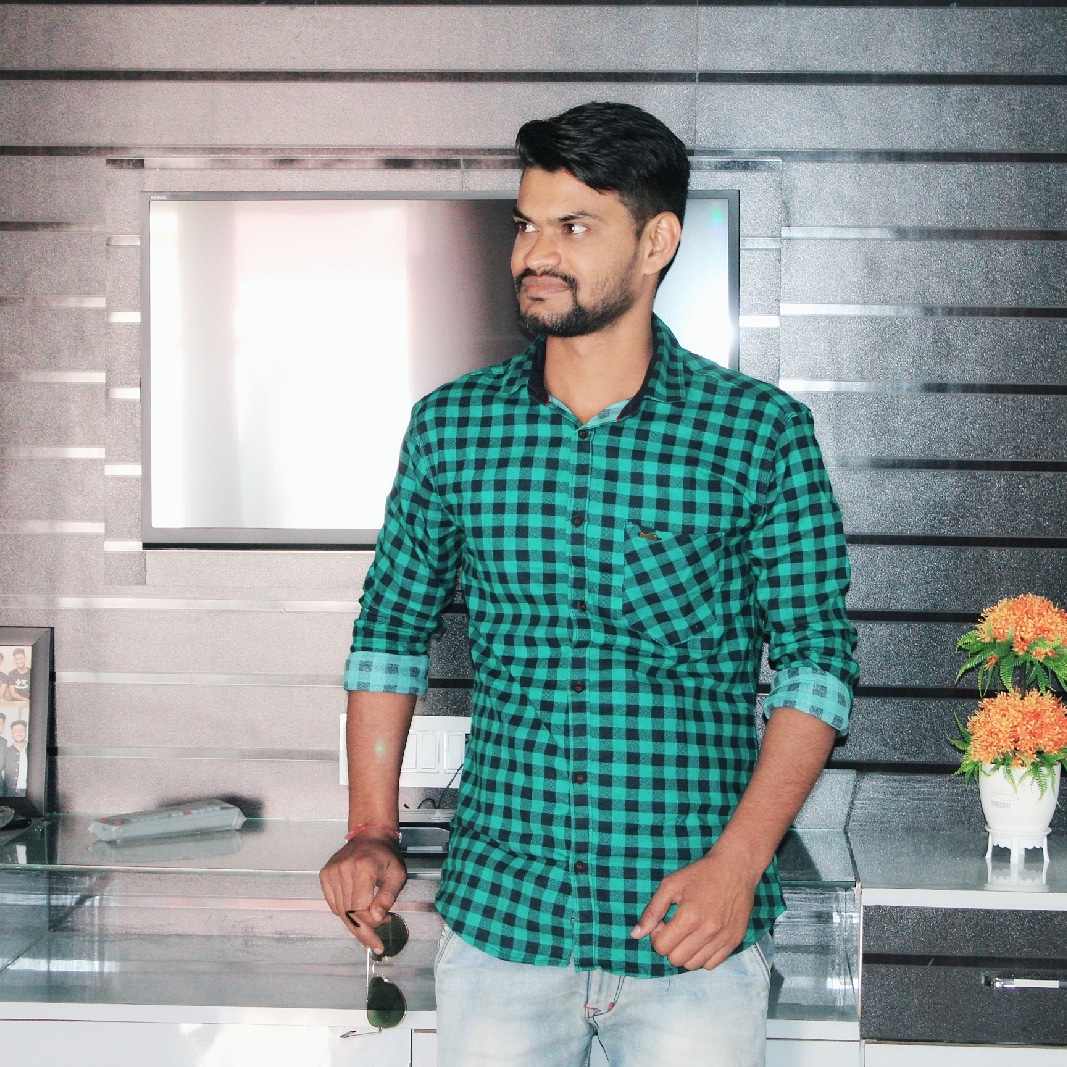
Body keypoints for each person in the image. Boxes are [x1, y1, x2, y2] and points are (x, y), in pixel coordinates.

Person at [320, 101, 859, 1067]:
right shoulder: (451, 428)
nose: (536, 252)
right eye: (526, 224)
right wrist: (371, 828)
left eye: (573, 226)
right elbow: (388, 632)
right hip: (503, 928)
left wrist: (738, 866)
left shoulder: (757, 433)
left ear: (656, 243)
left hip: (691, 933)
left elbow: (816, 664)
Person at [3, 720, 28, 797]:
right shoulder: (6, 752)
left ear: (26, 732)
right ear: (11, 734)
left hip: (30, 795)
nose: (18, 733)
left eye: (21, 731)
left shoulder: (34, 751)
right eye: (15, 731)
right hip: (11, 795)